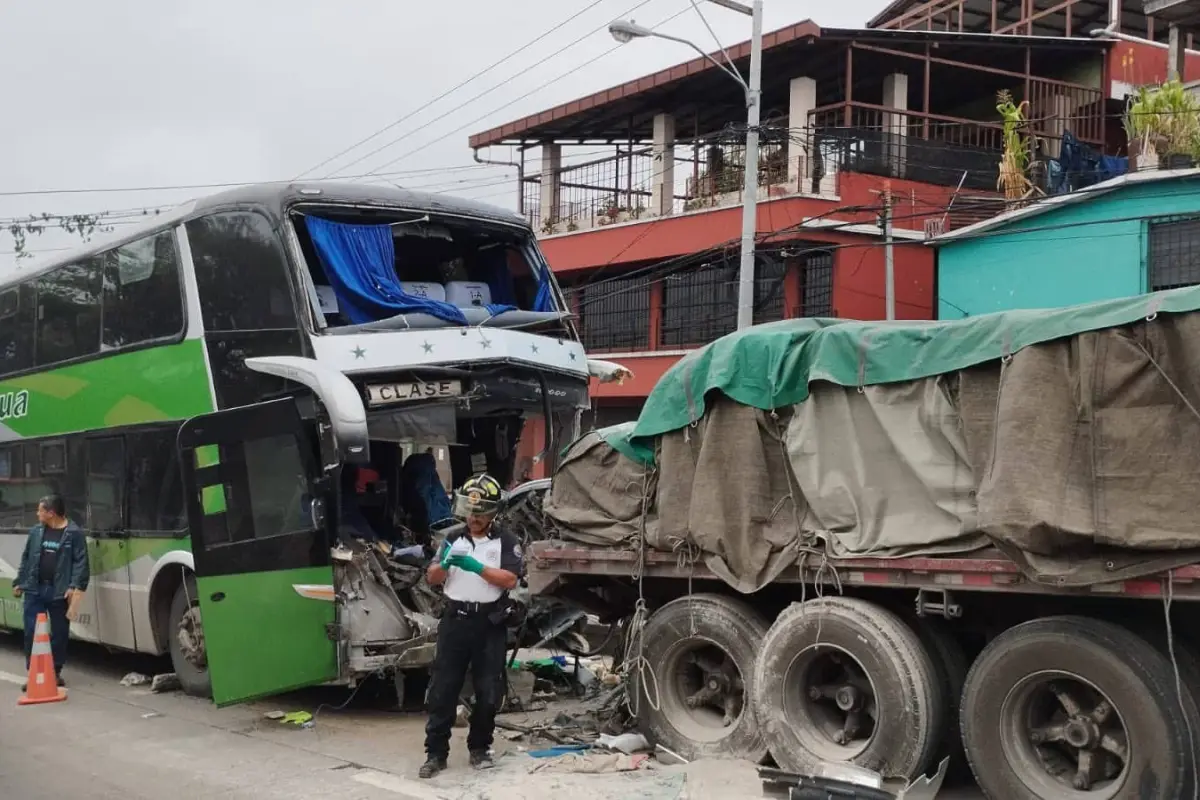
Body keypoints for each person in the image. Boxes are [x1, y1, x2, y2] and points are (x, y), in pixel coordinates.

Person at [420, 473, 523, 779]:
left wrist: (478, 568)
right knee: (443, 690)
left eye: (480, 513)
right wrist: (447, 563)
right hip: (455, 622)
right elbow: (432, 577)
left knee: (488, 691)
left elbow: (510, 579)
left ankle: (480, 747)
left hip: (489, 623)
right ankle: (435, 753)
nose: (474, 518)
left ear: (493, 513)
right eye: (469, 510)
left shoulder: (506, 541)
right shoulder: (452, 538)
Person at [11, 494, 88, 688]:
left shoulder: (73, 533)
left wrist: (73, 586)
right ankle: (35, 673)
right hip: (35, 589)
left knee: (59, 633)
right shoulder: (36, 532)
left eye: (40, 511)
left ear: (51, 513)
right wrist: (19, 582)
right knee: (31, 632)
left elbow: (81, 562)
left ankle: (54, 671)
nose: (38, 514)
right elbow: (27, 558)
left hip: (58, 591)